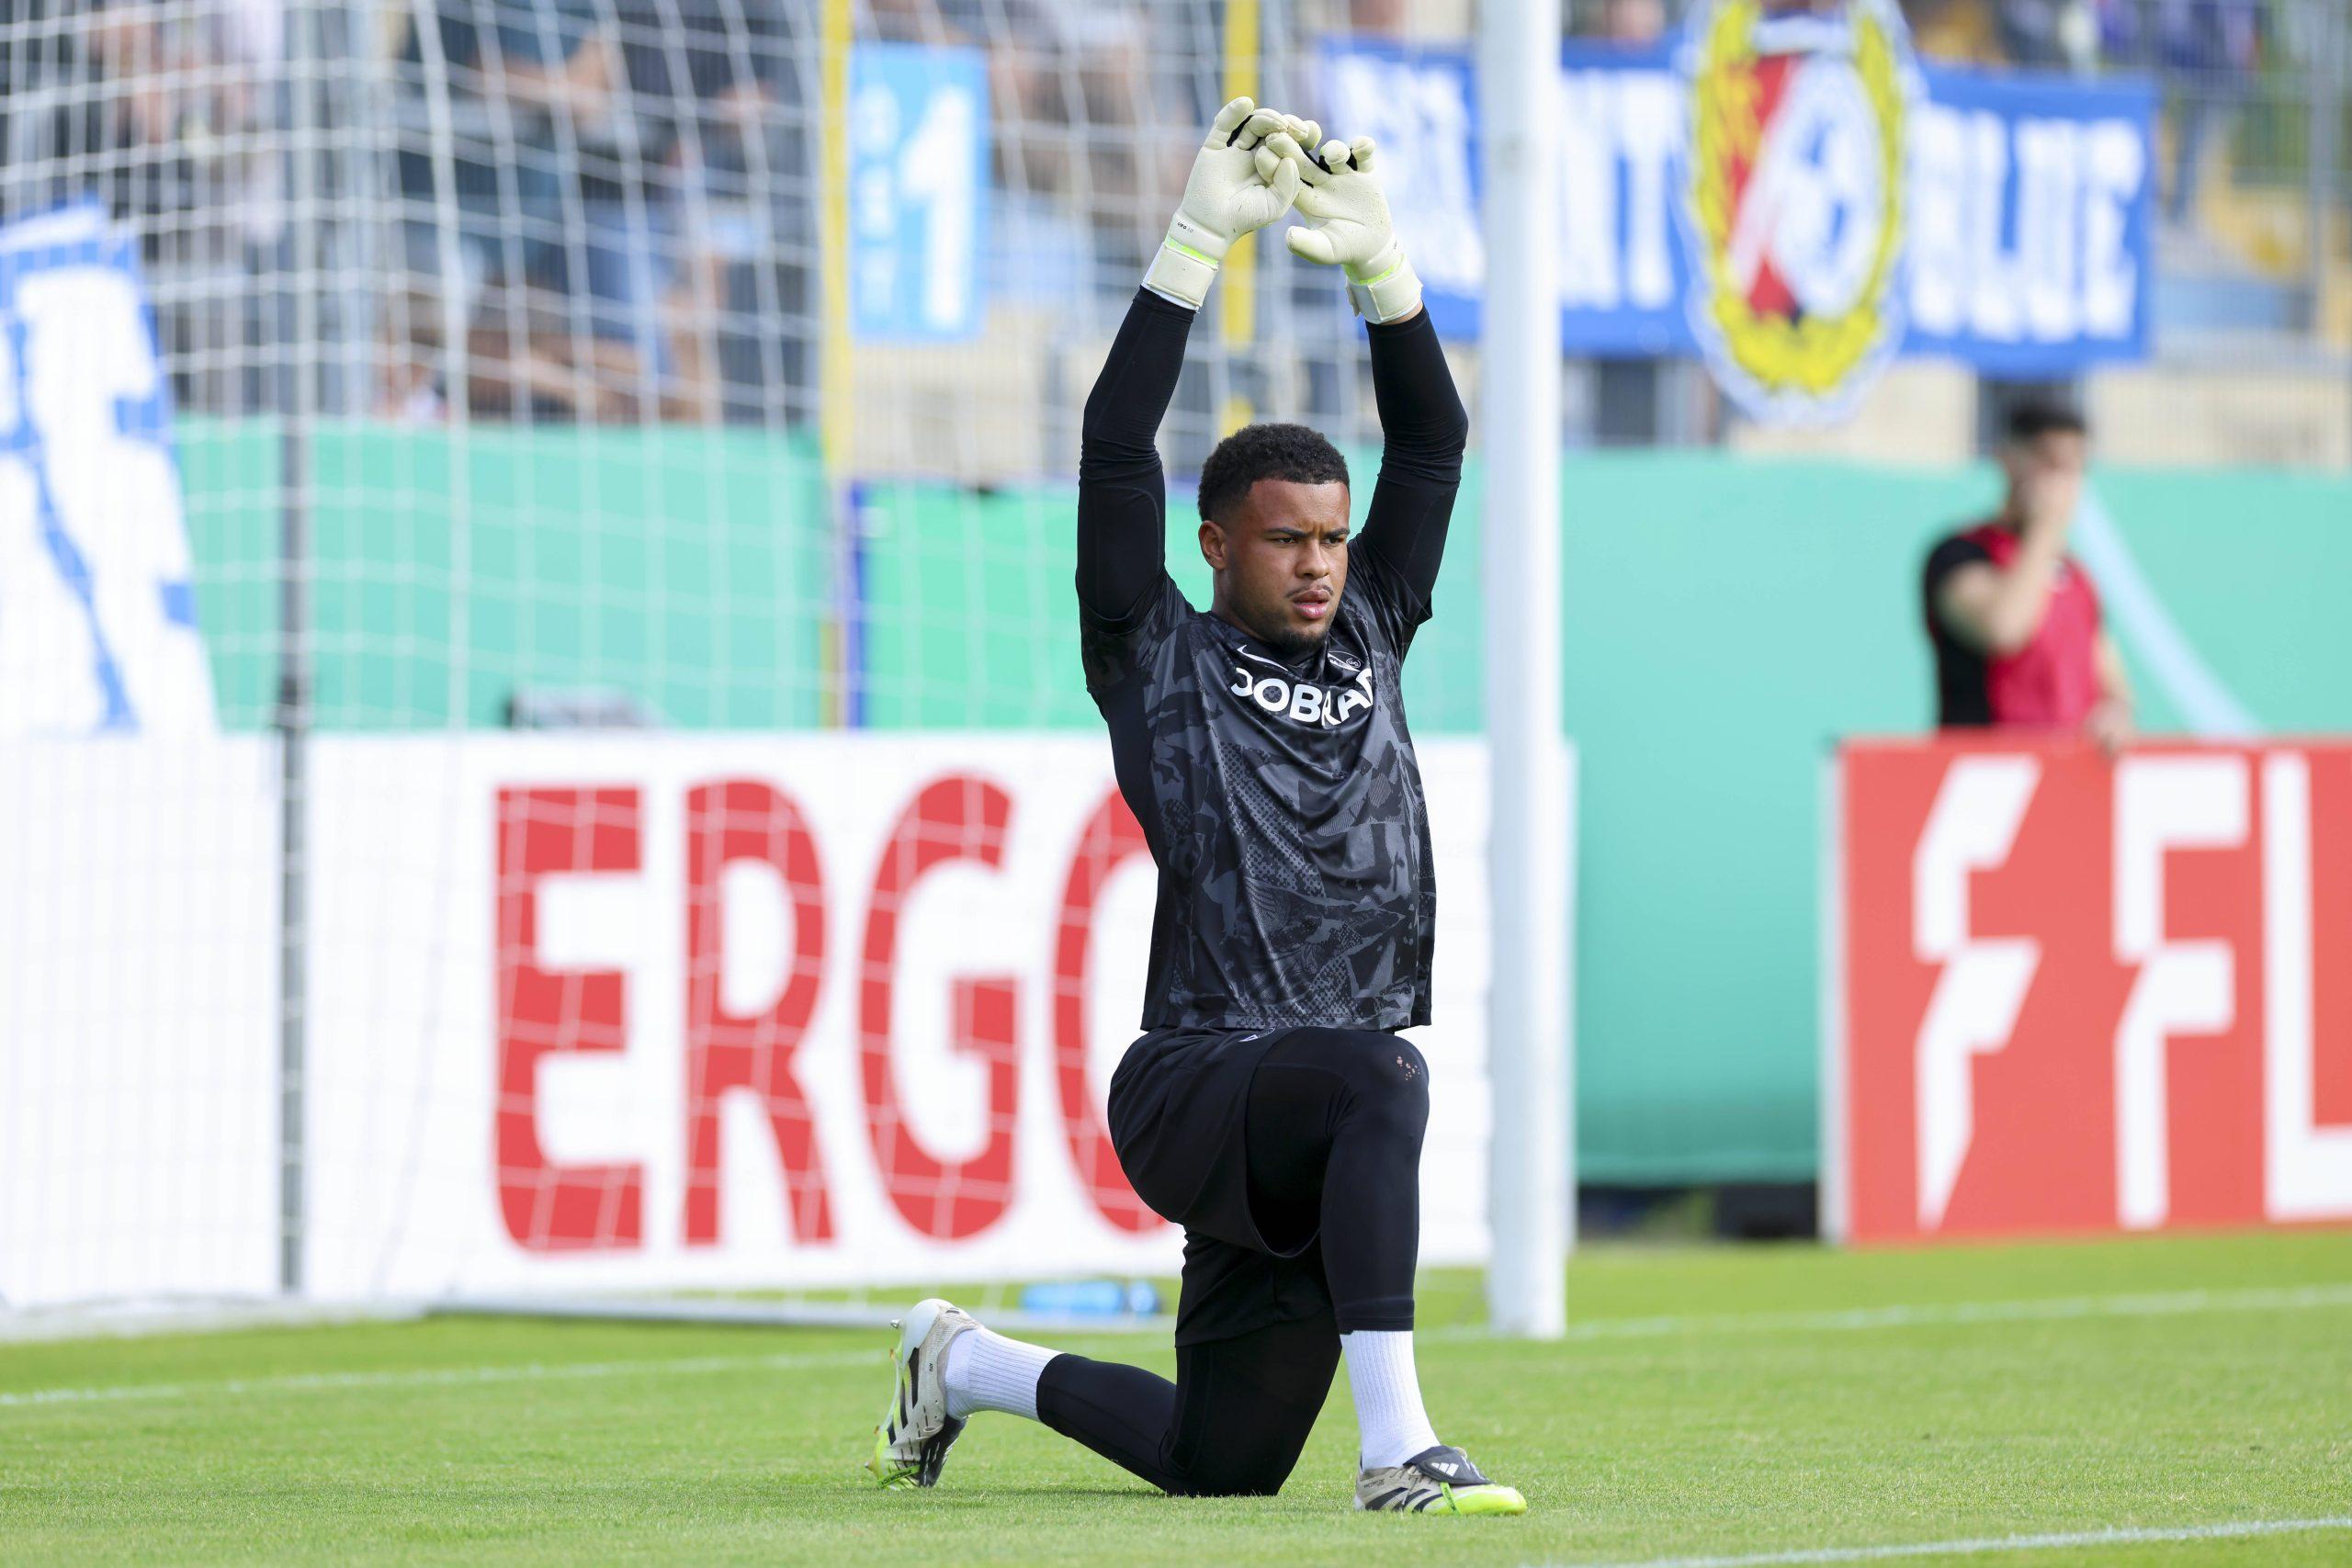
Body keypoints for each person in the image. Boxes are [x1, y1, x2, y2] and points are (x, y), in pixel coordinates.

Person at [865, 98, 1523, 1517]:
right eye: (1286, 537)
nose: (1320, 564)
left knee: (1218, 1463)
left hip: (1309, 1116)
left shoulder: (1375, 630)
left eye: (1333, 538)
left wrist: (1382, 274)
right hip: (1202, 1078)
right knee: (1386, 1070)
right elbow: (1113, 437)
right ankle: (1401, 1442)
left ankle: (961, 1361)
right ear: (1214, 544)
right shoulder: (1153, 651)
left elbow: (1434, 440)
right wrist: (1189, 247)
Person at [1922, 399, 2133, 749]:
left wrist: (2116, 712)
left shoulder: (2077, 578)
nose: (2061, 479)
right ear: (2008, 460)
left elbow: (2111, 681)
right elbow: (2004, 629)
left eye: (2074, 466)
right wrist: (2045, 528)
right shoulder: (1961, 554)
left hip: (2067, 779)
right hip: (1985, 778)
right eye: (2048, 462)